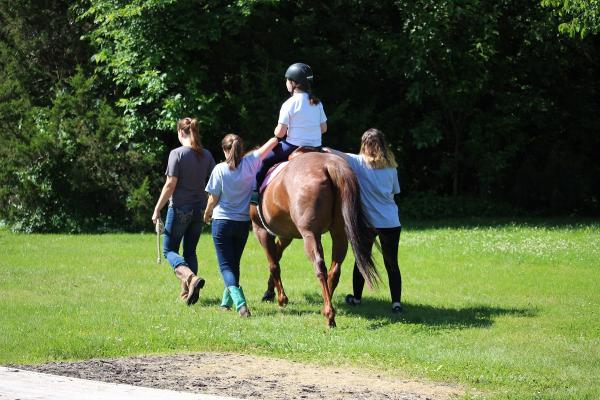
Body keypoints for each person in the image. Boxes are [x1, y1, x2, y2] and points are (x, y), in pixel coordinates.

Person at [325, 128, 403, 313]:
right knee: (392, 263)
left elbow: (332, 152)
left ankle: (357, 298)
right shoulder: (391, 168)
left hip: (367, 223)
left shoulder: (358, 162)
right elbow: (394, 192)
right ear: (383, 146)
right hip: (391, 222)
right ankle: (396, 304)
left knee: (362, 261)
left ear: (364, 145)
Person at [204, 134, 279, 317]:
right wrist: (279, 135)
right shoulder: (251, 163)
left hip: (222, 222)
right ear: (241, 148)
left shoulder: (219, 169)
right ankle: (225, 303)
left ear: (224, 149)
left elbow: (213, 197)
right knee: (234, 263)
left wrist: (206, 213)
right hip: (242, 223)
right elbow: (268, 147)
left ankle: (240, 304)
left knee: (226, 267)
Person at [151, 117, 216, 306]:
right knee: (190, 252)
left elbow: (170, 184)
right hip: (199, 209)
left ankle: (190, 279)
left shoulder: (176, 154)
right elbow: (213, 183)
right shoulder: (207, 155)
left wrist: (157, 209)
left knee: (169, 250)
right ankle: (187, 294)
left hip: (180, 209)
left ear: (181, 132)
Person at [254, 62, 327, 191]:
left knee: (262, 161)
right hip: (317, 147)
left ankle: (254, 194)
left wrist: (276, 130)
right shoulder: (317, 102)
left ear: (293, 82)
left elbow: (280, 134)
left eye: (287, 80)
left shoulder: (289, 103)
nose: (286, 83)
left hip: (293, 146)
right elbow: (323, 129)